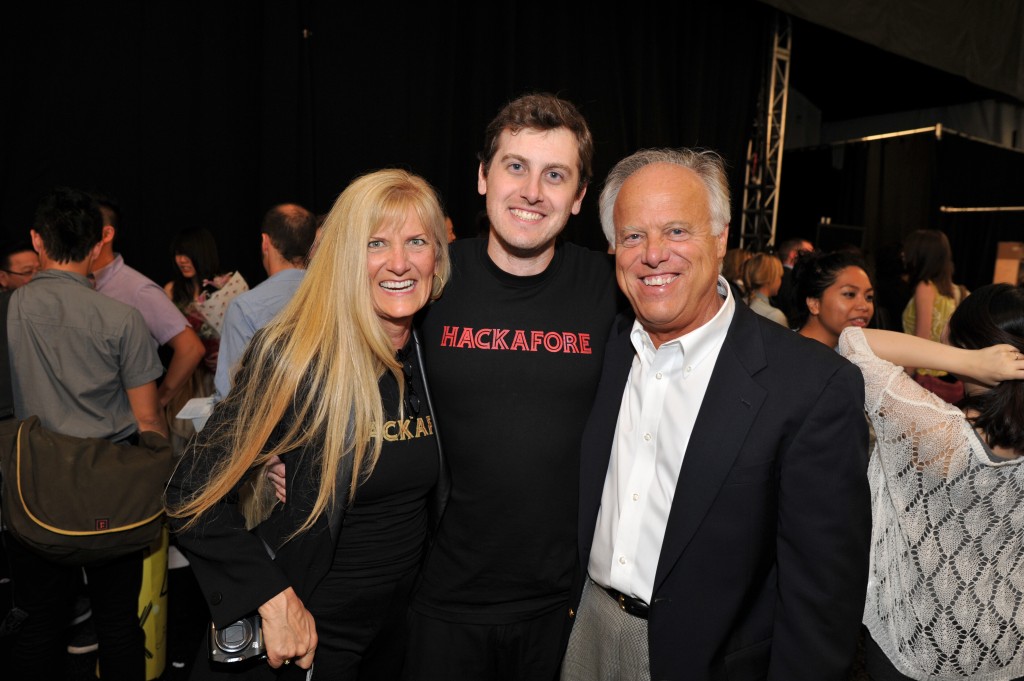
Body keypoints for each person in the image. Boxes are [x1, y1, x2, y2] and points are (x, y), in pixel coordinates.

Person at [562, 148, 871, 681]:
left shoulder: (810, 386)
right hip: (586, 629)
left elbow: (822, 600)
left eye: (677, 231)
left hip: (706, 659)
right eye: (633, 235)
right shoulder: (606, 349)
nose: (653, 254)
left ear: (721, 238)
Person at [165, 168, 451, 680]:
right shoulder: (295, 357)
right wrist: (274, 601)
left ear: (437, 257)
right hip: (310, 637)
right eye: (376, 243)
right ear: (343, 256)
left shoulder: (435, 355)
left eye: (417, 241)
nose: (400, 262)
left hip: (400, 636)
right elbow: (190, 492)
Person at [404, 92, 620, 681]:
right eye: (515, 167)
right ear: (482, 176)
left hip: (564, 605)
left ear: (578, 198)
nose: (531, 191)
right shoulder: (430, 276)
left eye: (555, 176)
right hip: (435, 599)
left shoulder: (611, 289)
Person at [5, 186, 168, 681]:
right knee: (118, 622)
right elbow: (148, 422)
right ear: (99, 244)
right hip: (110, 486)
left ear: (37, 240)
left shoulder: (11, 310)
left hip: (33, 485)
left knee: (37, 624)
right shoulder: (123, 318)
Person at [837, 283, 1024, 680]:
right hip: (1007, 639)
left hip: (918, 634)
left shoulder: (934, 429)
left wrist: (966, 361)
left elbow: (854, 341)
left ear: (975, 348)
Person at [90, 194, 207, 411]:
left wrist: (157, 402)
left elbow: (191, 348)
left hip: (121, 424)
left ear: (106, 234)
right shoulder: (81, 283)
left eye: (82, 228)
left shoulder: (137, 289)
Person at [213, 203, 317, 401]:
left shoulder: (245, 307)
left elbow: (229, 395)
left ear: (265, 242)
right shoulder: (334, 295)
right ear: (312, 248)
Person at [164, 227, 246, 454]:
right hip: (190, 376)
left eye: (187, 253)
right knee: (182, 436)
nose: (182, 260)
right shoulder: (172, 291)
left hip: (222, 372)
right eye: (178, 254)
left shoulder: (227, 287)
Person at [901, 228, 968, 403]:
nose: (903, 254)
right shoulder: (957, 291)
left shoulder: (925, 287)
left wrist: (904, 377)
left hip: (927, 378)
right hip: (952, 379)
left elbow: (921, 338)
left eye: (908, 250)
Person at [792, 249, 875, 348]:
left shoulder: (857, 356)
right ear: (814, 303)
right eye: (850, 294)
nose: (864, 306)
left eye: (869, 297)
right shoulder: (781, 353)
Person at [770, 236, 813, 321]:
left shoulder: (774, 275)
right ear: (794, 254)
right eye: (809, 252)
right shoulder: (793, 279)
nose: (812, 257)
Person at [741, 251, 787, 326]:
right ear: (771, 278)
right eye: (779, 276)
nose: (780, 281)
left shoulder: (735, 304)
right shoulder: (774, 316)